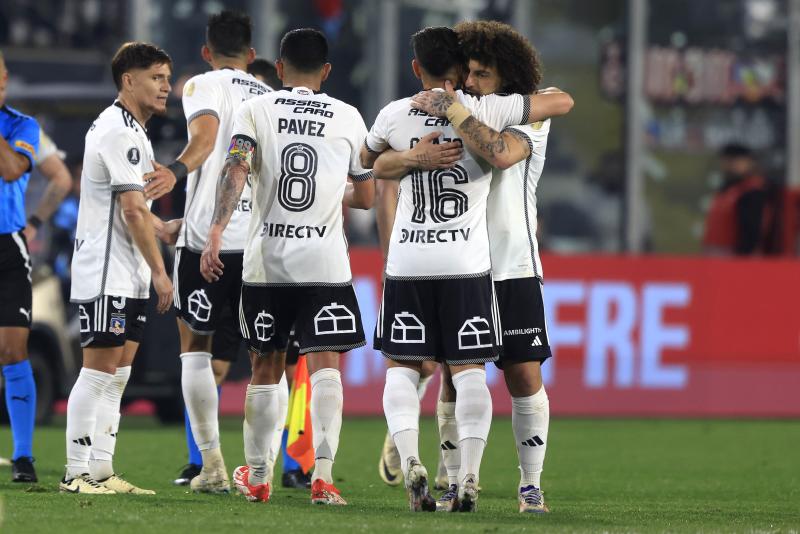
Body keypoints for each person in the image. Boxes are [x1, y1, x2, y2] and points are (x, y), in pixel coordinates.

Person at [361, 25, 570, 513]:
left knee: (521, 373)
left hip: (511, 262)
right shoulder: (446, 109)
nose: (472, 82)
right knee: (451, 373)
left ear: (508, 76)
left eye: (483, 73)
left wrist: (452, 107)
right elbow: (376, 166)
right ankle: (450, 476)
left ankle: (530, 484)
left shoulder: (522, 116)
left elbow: (501, 153)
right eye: (467, 72)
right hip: (461, 263)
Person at [200, 28, 374, 505]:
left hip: (267, 261)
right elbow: (366, 196)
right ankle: (322, 477)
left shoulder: (256, 110)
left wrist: (216, 231)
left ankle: (258, 478)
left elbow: (236, 167)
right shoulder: (348, 115)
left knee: (265, 366)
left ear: (278, 68)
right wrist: (329, 190)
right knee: (325, 370)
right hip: (325, 261)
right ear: (327, 71)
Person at [143, 10, 272, 493]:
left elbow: (205, 139)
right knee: (266, 358)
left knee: (195, 350)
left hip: (208, 244)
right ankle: (261, 473)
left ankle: (212, 466)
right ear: (253, 56)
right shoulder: (270, 95)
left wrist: (176, 172)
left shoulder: (201, 85)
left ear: (206, 52)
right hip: (263, 246)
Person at [61, 41, 174, 494]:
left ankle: (102, 470)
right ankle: (75, 472)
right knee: (98, 369)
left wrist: (164, 227)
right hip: (107, 270)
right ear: (129, 80)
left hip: (128, 271)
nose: (165, 87)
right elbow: (130, 211)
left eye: (167, 78)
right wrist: (162, 272)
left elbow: (136, 209)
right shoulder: (116, 130)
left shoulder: (136, 132)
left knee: (120, 371)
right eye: (156, 78)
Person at [248, 55, 312, 490]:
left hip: (274, 260)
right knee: (272, 364)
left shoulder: (259, 123)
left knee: (290, 366)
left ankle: (293, 461)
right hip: (287, 258)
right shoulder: (325, 122)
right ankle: (278, 463)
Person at [0, 49, 41, 483]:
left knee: (13, 350)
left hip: (6, 248)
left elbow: (11, 169)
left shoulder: (21, 125)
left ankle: (23, 457)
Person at [703, 143, 773, 255]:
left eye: (736, 161)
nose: (731, 165)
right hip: (716, 256)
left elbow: (752, 232)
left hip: (736, 258)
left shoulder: (752, 191)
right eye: (728, 161)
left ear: (750, 163)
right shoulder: (727, 189)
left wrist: (742, 259)